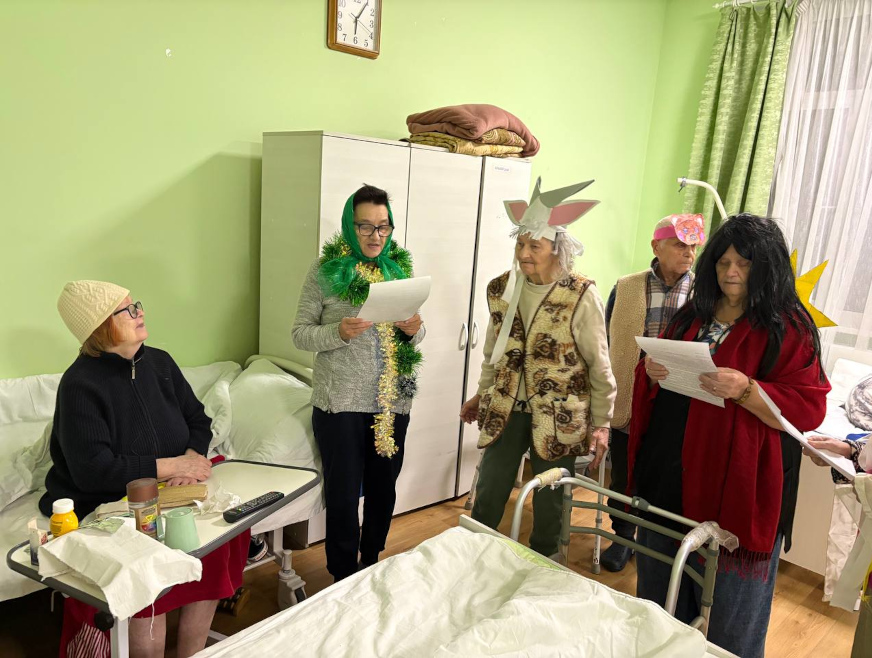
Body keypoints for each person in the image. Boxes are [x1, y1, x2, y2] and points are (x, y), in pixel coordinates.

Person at [628, 214, 831, 658]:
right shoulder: (693, 314)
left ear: (767, 266)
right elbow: (661, 379)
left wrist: (748, 390)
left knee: (732, 618)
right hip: (669, 474)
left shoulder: (788, 327)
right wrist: (653, 371)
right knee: (660, 602)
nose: (731, 272)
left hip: (736, 489)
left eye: (744, 263)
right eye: (723, 262)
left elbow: (810, 407)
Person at [43, 280, 248, 658]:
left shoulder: (160, 362)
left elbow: (198, 420)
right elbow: (93, 471)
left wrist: (190, 463)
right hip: (112, 501)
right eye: (126, 310)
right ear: (100, 326)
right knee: (146, 565)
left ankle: (193, 653)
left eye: (135, 304)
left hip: (174, 489)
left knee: (221, 537)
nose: (140, 313)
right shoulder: (80, 385)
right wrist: (171, 466)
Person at [460, 178, 616, 557]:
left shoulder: (580, 294)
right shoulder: (501, 288)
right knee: (491, 488)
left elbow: (599, 364)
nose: (524, 253)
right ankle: (472, 556)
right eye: (520, 244)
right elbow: (494, 352)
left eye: (535, 246)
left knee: (551, 501)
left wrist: (602, 423)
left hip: (560, 414)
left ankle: (545, 565)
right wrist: (481, 394)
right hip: (506, 407)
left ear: (556, 249)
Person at [292, 184, 425, 582]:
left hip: (392, 403)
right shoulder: (325, 271)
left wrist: (415, 329)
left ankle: (371, 563)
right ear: (350, 226)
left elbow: (415, 335)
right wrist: (338, 332)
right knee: (344, 495)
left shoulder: (398, 270)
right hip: (341, 403)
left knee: (384, 490)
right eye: (365, 226)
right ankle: (342, 575)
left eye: (383, 227)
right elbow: (300, 334)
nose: (375, 236)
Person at [601, 213, 704, 572]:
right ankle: (623, 538)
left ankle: (657, 544)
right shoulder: (626, 287)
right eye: (679, 244)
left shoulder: (704, 293)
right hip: (629, 396)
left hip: (676, 402)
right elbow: (607, 339)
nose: (689, 253)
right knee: (624, 475)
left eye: (693, 246)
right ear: (656, 247)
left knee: (666, 477)